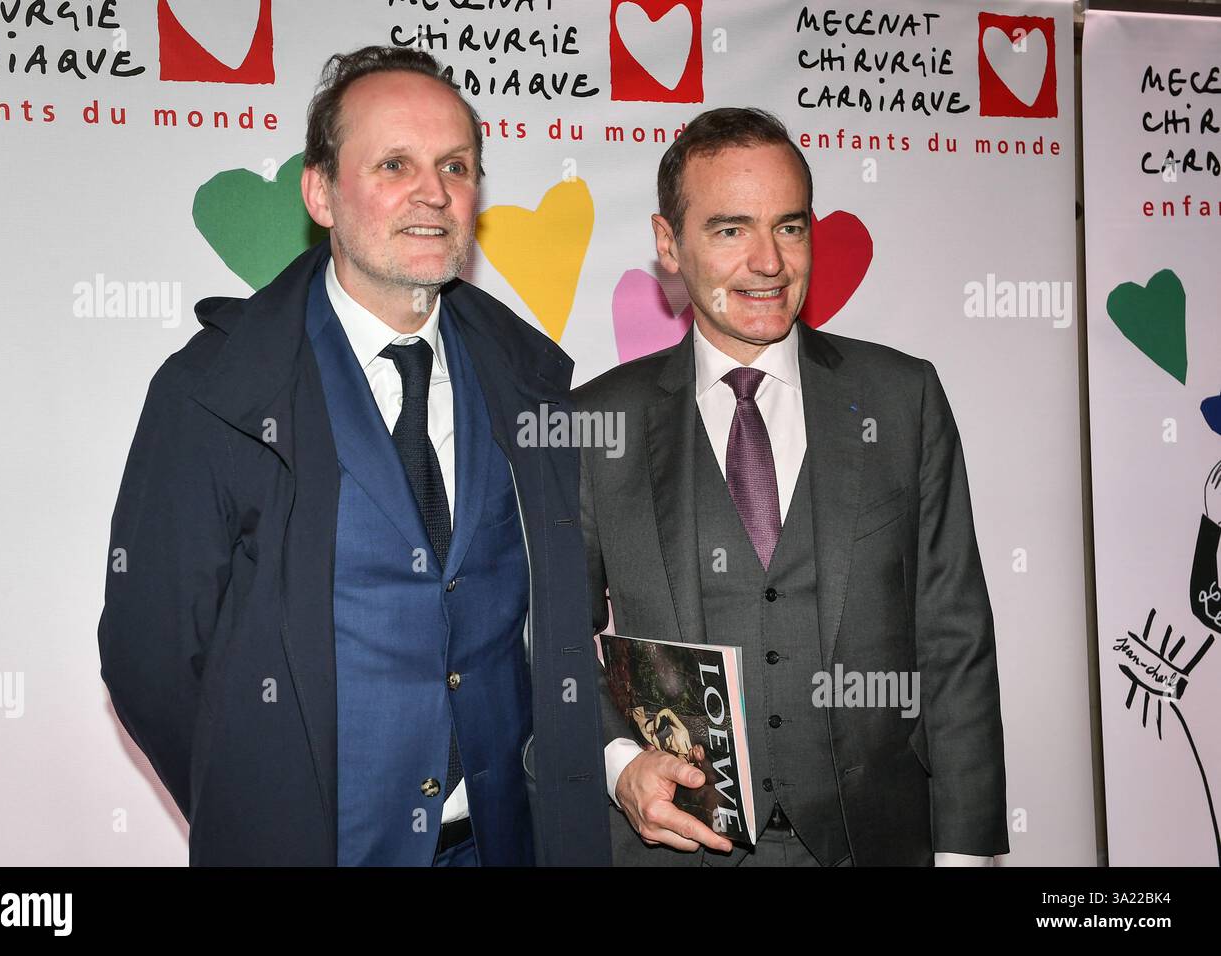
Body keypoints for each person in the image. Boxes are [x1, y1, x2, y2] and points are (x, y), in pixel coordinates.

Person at [97, 45, 610, 866]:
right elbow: (150, 659)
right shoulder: (212, 391)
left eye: (455, 165)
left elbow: (559, 624)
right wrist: (256, 809)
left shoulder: (533, 381)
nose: (433, 192)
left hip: (503, 845)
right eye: (394, 164)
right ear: (320, 191)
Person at [576, 107, 1008, 866]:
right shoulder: (596, 424)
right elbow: (546, 642)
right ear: (668, 243)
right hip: (675, 843)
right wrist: (619, 764)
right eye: (730, 229)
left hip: (875, 841)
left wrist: (967, 854)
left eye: (791, 226)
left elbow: (955, 637)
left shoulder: (900, 398)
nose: (769, 262)